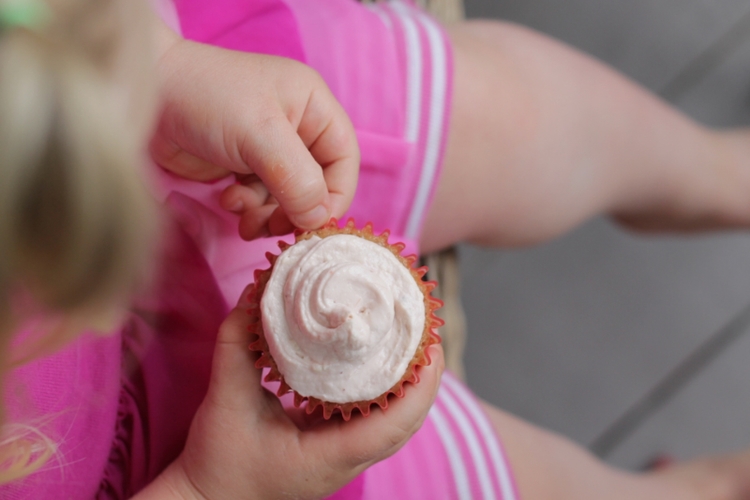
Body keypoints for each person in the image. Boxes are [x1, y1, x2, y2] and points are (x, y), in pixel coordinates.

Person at [2, 0, 750, 499]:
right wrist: (211, 488)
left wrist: (155, 68)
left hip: (150, 96)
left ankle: (716, 172)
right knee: (507, 482)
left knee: (512, 117)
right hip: (189, 462)